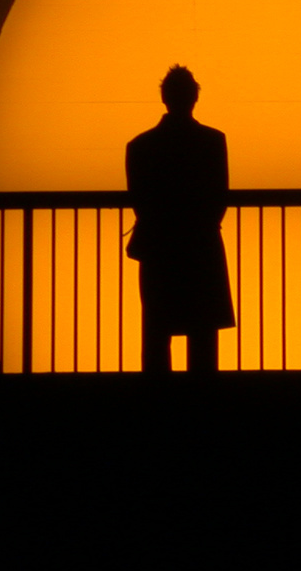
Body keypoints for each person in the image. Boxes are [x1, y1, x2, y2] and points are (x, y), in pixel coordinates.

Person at [125, 65, 234, 373]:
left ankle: (159, 403)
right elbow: (219, 197)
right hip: (201, 246)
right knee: (203, 331)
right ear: (194, 99)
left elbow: (139, 201)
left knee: (157, 329)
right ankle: (202, 401)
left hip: (159, 248)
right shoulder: (213, 142)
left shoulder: (140, 146)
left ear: (165, 99)